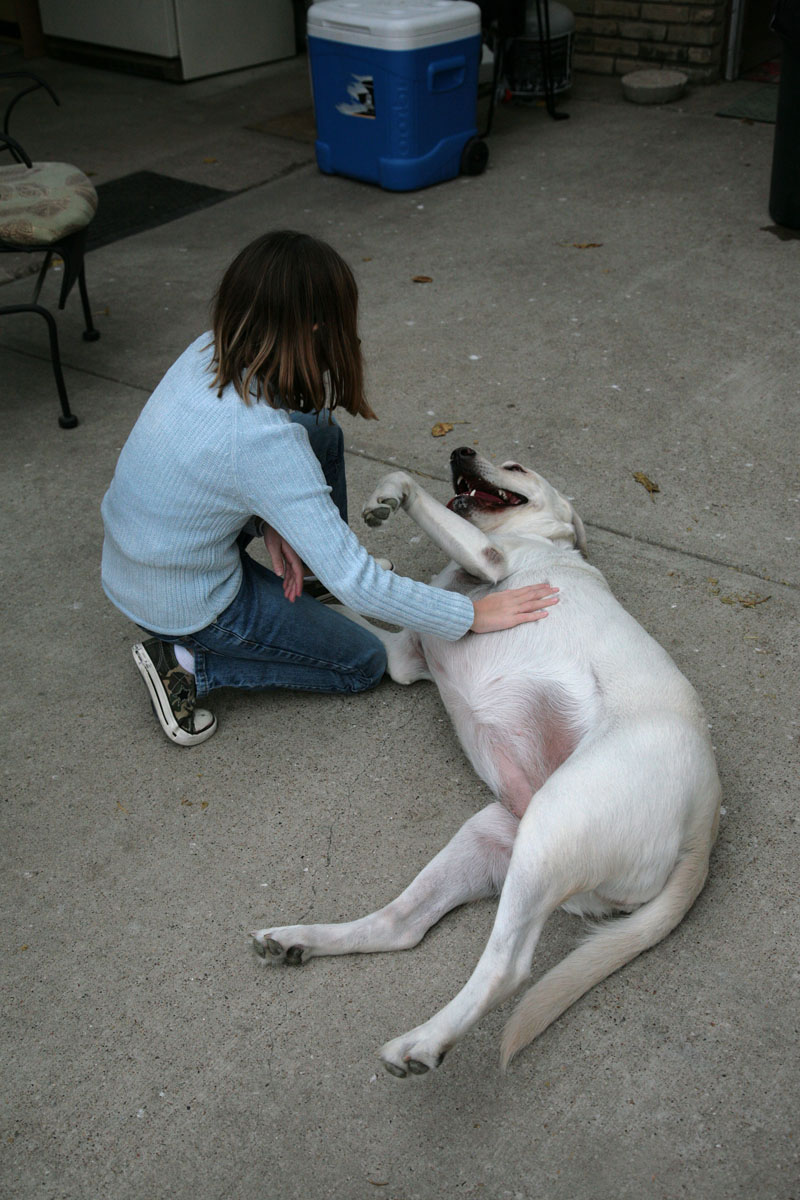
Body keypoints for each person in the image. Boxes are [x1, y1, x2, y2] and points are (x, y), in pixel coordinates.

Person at [101, 230, 559, 747]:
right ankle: (186, 663)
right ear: (318, 327)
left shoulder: (213, 347)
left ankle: (315, 568)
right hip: (187, 600)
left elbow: (214, 468)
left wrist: (270, 516)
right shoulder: (259, 441)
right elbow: (361, 585)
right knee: (364, 663)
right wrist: (471, 614)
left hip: (144, 554)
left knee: (318, 429)